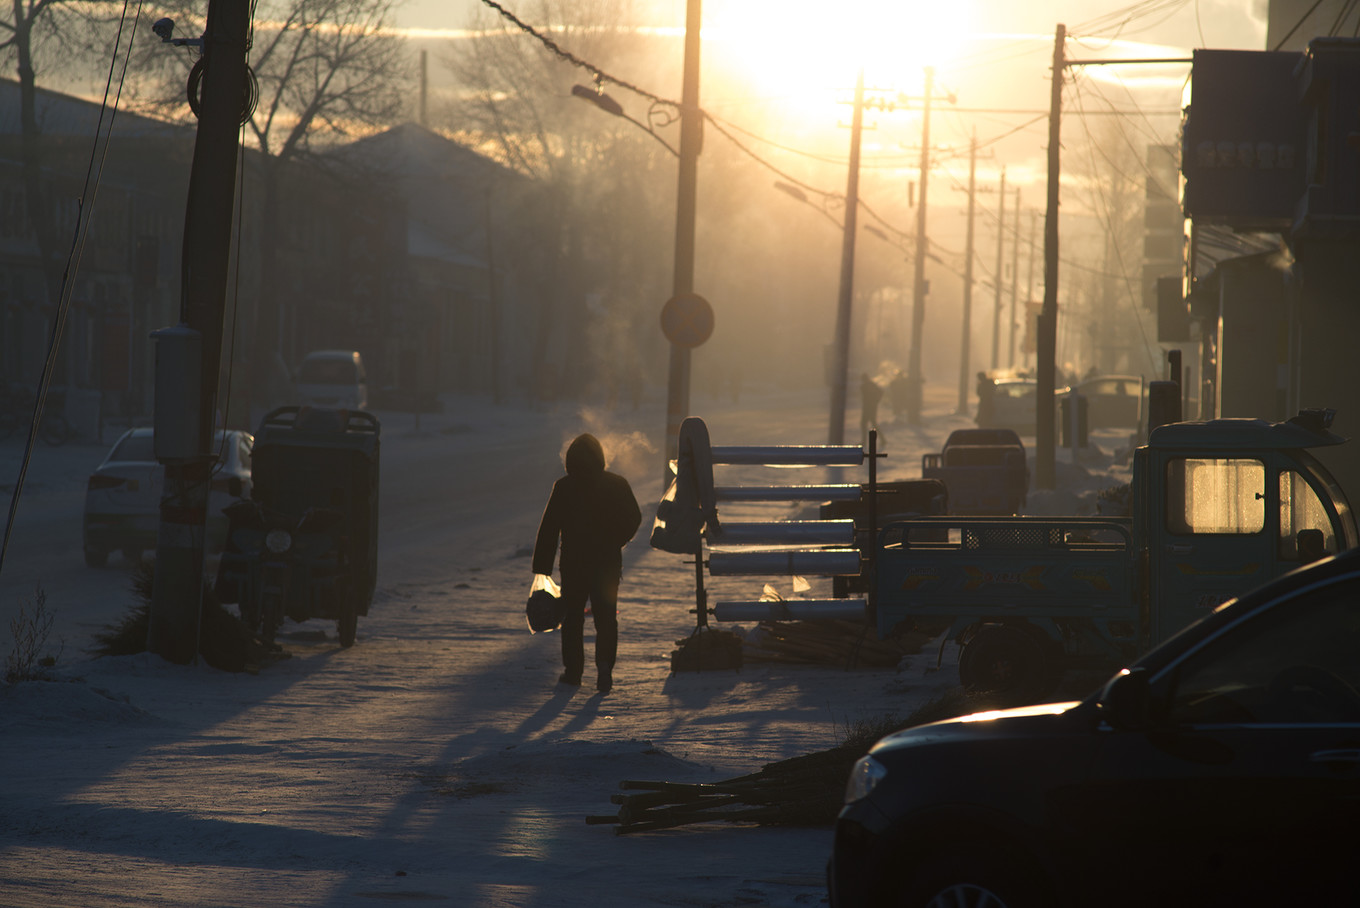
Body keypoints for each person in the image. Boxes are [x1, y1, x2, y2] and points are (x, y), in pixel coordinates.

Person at [532, 433, 642, 694]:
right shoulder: (617, 484)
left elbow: (549, 529)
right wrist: (616, 541)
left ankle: (573, 673)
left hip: (574, 565)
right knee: (606, 618)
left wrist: (542, 569)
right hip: (607, 564)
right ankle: (604, 669)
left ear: (570, 461)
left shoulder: (564, 487)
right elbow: (634, 518)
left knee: (572, 619)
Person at [860, 373, 882, 446]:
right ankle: (883, 439)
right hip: (872, 407)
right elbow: (881, 392)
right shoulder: (872, 384)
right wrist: (876, 401)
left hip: (867, 407)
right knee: (873, 423)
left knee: (864, 424)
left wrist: (876, 401)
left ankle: (864, 441)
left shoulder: (865, 386)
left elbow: (880, 392)